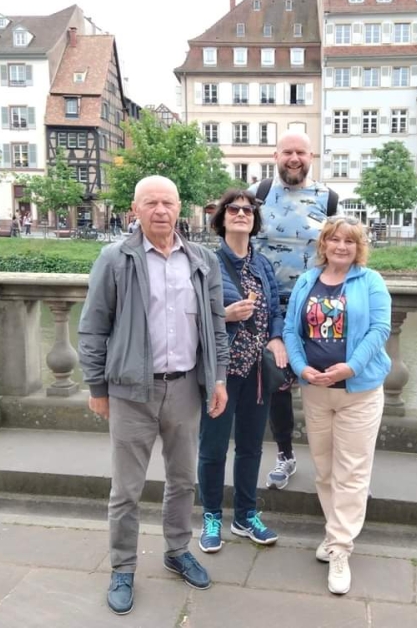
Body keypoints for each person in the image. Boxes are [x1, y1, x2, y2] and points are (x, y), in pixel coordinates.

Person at [78, 175, 229, 616]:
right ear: (135, 209)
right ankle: (123, 567)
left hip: (185, 388)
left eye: (168, 202)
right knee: (126, 488)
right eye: (151, 203)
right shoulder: (115, 259)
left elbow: (216, 325)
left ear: (179, 208)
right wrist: (97, 386)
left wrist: (218, 379)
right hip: (131, 391)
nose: (160, 210)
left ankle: (177, 550)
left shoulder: (201, 260)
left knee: (183, 480)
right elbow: (93, 327)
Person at [283, 215, 391, 595]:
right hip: (316, 391)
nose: (341, 246)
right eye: (335, 240)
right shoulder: (306, 281)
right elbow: (290, 330)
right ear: (324, 244)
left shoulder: (371, 281)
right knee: (325, 469)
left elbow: (380, 329)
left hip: (358, 392)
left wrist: (351, 366)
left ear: (358, 247)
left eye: (349, 241)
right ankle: (334, 534)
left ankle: (341, 548)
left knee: (352, 471)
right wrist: (300, 367)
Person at [197, 189, 286, 554]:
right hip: (223, 370)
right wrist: (224, 315)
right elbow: (190, 310)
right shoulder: (206, 262)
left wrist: (276, 338)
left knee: (250, 446)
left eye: (248, 210)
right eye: (233, 209)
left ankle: (246, 515)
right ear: (221, 219)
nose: (241, 214)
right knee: (213, 447)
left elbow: (276, 308)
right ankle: (211, 517)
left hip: (257, 371)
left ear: (254, 221)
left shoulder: (262, 264)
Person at [252, 130, 340, 491]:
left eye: (301, 152)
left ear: (311, 157)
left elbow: (339, 250)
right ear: (275, 156)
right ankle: (285, 455)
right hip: (270, 308)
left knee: (328, 384)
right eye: (287, 152)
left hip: (316, 309)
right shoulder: (257, 195)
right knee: (277, 385)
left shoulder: (328, 199)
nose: (294, 158)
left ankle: (336, 464)